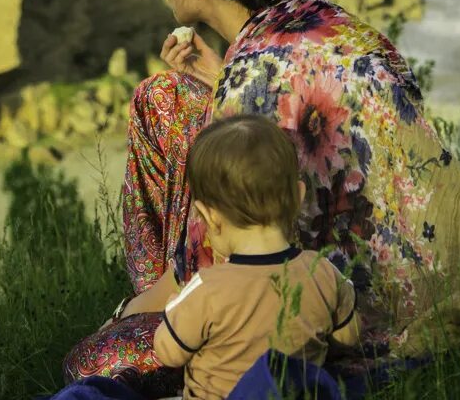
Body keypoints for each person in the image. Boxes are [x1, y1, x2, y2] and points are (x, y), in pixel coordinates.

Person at [63, 0, 460, 393]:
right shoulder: (314, 12)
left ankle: (158, 313)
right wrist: (222, 75)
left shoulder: (250, 86)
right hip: (400, 256)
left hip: (324, 304)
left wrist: (125, 316)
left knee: (88, 363)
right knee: (160, 97)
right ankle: (163, 305)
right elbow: (295, 91)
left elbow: (217, 262)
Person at [153, 115, 358, 400]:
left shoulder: (208, 288)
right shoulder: (323, 272)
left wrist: (174, 308)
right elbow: (349, 337)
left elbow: (167, 353)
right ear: (299, 196)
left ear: (210, 215)